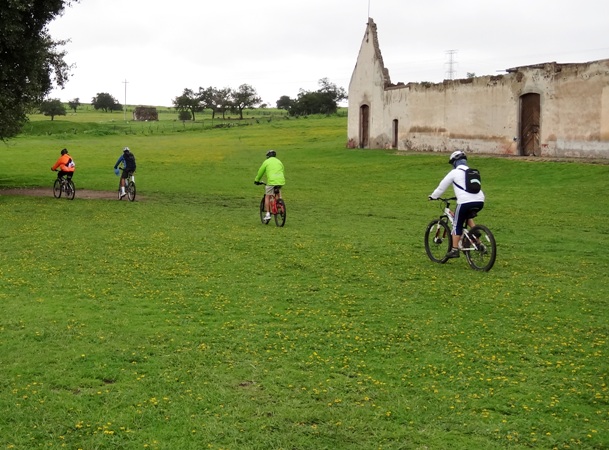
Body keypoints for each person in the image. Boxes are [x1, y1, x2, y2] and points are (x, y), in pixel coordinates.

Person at [429, 150, 485, 259]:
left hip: (465, 202)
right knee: (465, 216)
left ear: (455, 162)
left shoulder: (454, 173)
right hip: (480, 201)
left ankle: (454, 250)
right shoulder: (471, 172)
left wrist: (433, 196)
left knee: (457, 224)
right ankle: (476, 234)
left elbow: (441, 187)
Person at [254, 150, 285, 223]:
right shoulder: (279, 161)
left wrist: (257, 180)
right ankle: (278, 205)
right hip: (280, 180)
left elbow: (260, 172)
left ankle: (268, 214)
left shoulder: (266, 162)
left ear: (267, 156)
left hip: (271, 181)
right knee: (277, 192)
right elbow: (282, 170)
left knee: (267, 196)